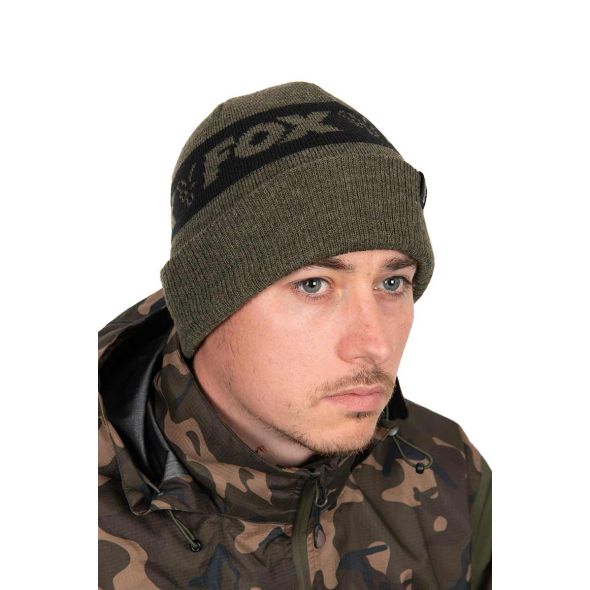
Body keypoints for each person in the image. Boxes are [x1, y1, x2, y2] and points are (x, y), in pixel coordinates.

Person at [98, 81, 492, 589]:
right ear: (207, 304)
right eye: (313, 285)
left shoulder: (447, 468)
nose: (373, 344)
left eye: (392, 283)